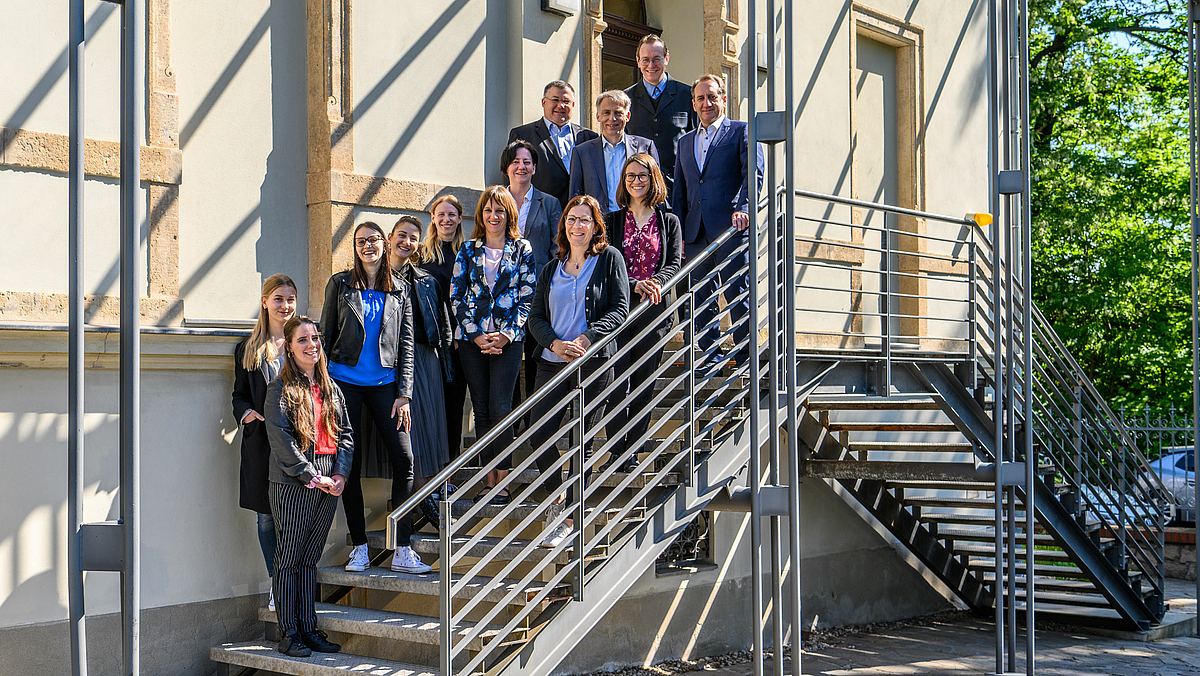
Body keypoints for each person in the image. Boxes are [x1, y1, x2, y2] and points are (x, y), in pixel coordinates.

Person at [320, 221, 431, 575]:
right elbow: (326, 335)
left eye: (373, 240)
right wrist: (322, 388)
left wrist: (405, 394)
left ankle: (401, 547)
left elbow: (407, 344)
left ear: (384, 244)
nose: (368, 246)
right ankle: (359, 547)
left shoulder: (399, 289)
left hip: (385, 383)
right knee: (347, 463)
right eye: (360, 241)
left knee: (405, 458)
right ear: (354, 247)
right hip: (343, 383)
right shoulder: (339, 284)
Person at [526, 194, 629, 548]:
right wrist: (554, 344)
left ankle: (570, 518)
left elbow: (620, 309)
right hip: (553, 362)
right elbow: (535, 317)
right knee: (539, 432)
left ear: (595, 225)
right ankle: (558, 496)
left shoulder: (609, 259)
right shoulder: (550, 268)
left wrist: (587, 338)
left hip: (594, 361)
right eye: (571, 219)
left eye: (584, 219)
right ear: (563, 225)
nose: (577, 225)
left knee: (581, 442)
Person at [264, 315, 353, 657]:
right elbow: (280, 438)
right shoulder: (279, 388)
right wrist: (309, 475)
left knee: (309, 559)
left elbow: (346, 435)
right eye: (302, 340)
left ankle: (308, 628)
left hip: (329, 479)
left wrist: (341, 474)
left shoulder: (332, 388)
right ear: (289, 346)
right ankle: (288, 634)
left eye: (314, 338)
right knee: (289, 557)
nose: (311, 344)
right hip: (295, 481)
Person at [450, 186, 537, 505]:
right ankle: (489, 480)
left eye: (499, 210)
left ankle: (505, 480)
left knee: (502, 407)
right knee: (482, 409)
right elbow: (455, 295)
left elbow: (528, 296)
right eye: (488, 210)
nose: (493, 216)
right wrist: (474, 334)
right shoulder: (468, 250)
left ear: (509, 214)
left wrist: (508, 334)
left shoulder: (522, 249)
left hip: (508, 341)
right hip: (472, 341)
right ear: (481, 215)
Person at [672, 74, 765, 370]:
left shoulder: (740, 131)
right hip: (695, 232)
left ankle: (745, 357)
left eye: (712, 97)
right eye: (700, 98)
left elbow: (755, 172)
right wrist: (678, 235)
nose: (706, 103)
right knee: (700, 298)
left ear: (723, 99)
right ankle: (709, 356)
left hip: (732, 228)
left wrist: (745, 207)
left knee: (738, 292)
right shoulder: (685, 142)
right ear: (693, 103)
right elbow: (680, 191)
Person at [603, 154, 682, 473]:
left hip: (654, 310)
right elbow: (607, 263)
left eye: (642, 176)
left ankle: (631, 452)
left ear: (653, 180)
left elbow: (675, 263)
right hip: (620, 309)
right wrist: (634, 284)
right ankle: (614, 449)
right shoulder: (611, 221)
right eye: (630, 176)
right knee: (615, 382)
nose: (636, 181)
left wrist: (655, 283)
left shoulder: (668, 221)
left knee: (643, 383)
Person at [231, 274, 298, 614]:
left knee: (295, 518)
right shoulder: (248, 349)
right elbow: (239, 395)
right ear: (265, 302)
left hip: (299, 443)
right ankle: (278, 586)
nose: (285, 306)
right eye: (278, 299)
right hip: (261, 445)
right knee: (267, 520)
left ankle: (293, 583)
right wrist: (247, 416)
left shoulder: (304, 342)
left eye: (290, 299)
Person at [390, 215, 453, 523]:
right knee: (407, 434)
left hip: (425, 358)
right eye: (402, 235)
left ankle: (428, 497)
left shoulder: (426, 280)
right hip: (390, 361)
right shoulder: (375, 278)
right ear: (390, 238)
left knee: (429, 431)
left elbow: (442, 326)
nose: (407, 241)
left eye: (413, 237)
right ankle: (420, 498)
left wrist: (446, 366)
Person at [501, 139, 562, 418]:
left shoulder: (548, 203)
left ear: (534, 168)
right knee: (508, 359)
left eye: (526, 162)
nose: (521, 167)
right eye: (516, 162)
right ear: (506, 168)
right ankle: (511, 421)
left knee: (536, 353)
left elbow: (557, 248)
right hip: (502, 297)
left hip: (538, 294)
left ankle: (536, 419)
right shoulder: (495, 202)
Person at [418, 195, 468, 461]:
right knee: (430, 407)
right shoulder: (422, 256)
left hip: (459, 343)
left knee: (453, 405)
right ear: (433, 219)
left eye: (452, 214)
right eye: (441, 214)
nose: (446, 220)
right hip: (431, 343)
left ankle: (451, 465)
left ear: (460, 218)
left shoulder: (469, 253)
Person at [623, 34, 698, 196]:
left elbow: (698, 142)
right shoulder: (625, 99)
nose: (651, 65)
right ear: (638, 61)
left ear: (666, 59)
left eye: (657, 59)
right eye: (645, 60)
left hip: (679, 190)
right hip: (639, 192)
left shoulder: (688, 95)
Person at [508, 80, 599, 207]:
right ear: (544, 102)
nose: (561, 105)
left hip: (579, 215)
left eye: (566, 101)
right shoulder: (523, 135)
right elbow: (511, 175)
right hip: (539, 212)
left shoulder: (589, 137)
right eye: (555, 100)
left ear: (573, 105)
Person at [569, 90, 659, 214]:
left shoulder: (646, 147)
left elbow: (657, 190)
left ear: (627, 116)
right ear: (598, 116)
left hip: (638, 222)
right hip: (598, 225)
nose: (612, 118)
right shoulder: (582, 152)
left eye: (618, 113)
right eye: (606, 113)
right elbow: (575, 198)